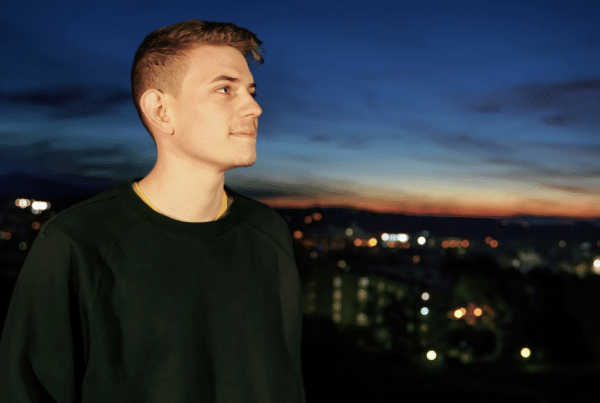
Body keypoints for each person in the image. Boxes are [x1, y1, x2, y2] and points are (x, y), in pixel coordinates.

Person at [0, 20, 306, 402]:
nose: (255, 107)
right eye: (225, 89)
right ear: (160, 110)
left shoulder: (268, 232)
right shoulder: (76, 243)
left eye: (251, 91)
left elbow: (285, 381)